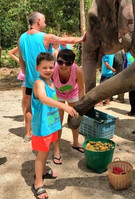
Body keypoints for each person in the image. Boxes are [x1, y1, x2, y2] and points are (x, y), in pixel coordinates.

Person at [18, 11, 85, 142]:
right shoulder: (45, 37)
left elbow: (21, 60)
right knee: (49, 110)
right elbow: (65, 40)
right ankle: (46, 137)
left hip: (29, 81)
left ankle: (28, 133)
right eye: (44, 20)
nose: (45, 23)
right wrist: (82, 38)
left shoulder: (21, 38)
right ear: (38, 21)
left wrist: (27, 75)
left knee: (29, 106)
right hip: (43, 80)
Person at [31, 52, 78, 199]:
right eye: (44, 67)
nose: (48, 70)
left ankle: (44, 171)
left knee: (47, 150)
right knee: (42, 154)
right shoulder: (39, 83)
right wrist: (64, 107)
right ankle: (38, 183)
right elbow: (44, 99)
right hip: (42, 126)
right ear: (37, 68)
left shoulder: (50, 82)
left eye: (51, 67)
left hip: (51, 124)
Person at [52, 49, 84, 164]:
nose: (63, 66)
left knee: (74, 120)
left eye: (68, 63)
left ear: (73, 63)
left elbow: (81, 89)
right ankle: (57, 149)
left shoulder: (78, 71)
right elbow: (48, 87)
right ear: (57, 61)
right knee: (57, 122)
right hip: (57, 94)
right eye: (60, 62)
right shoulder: (53, 69)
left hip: (73, 94)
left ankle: (76, 142)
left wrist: (80, 107)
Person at [9, 47, 29, 134]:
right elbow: (11, 53)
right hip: (25, 75)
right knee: (25, 97)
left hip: (37, 73)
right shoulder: (23, 42)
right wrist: (21, 63)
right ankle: (25, 118)